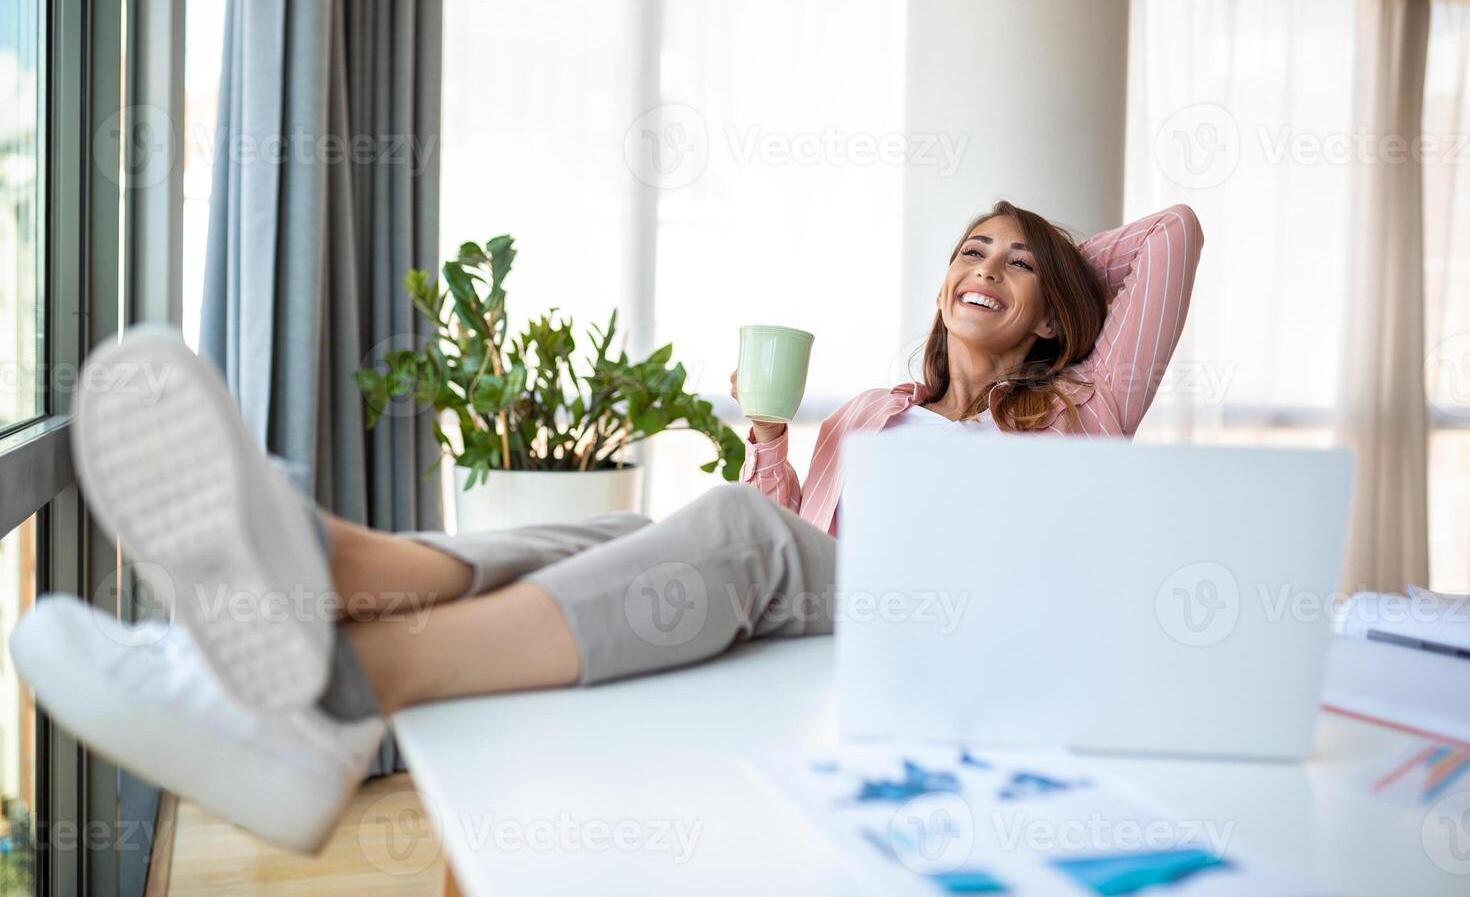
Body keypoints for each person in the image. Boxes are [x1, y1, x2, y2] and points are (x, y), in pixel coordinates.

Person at [11, 201, 1204, 851]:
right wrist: (775, 444)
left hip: (942, 632)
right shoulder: (879, 415)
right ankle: (323, 574)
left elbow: (1173, 236)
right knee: (609, 535)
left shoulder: (1077, 412)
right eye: (966, 251)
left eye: (1016, 263)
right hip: (837, 605)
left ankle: (335, 682)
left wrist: (1058, 271)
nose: (981, 266)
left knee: (736, 531)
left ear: (1059, 316)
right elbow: (791, 545)